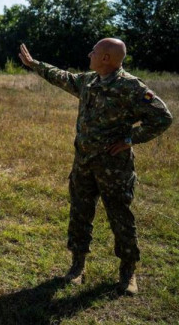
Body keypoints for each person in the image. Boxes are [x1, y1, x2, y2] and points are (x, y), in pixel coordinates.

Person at [18, 39, 172, 296]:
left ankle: (128, 272)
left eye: (95, 51)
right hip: (84, 164)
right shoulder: (90, 80)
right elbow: (62, 77)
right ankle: (77, 267)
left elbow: (162, 117)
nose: (89, 53)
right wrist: (35, 64)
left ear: (106, 58)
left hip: (114, 169)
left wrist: (130, 139)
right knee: (80, 214)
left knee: (121, 219)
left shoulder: (131, 87)